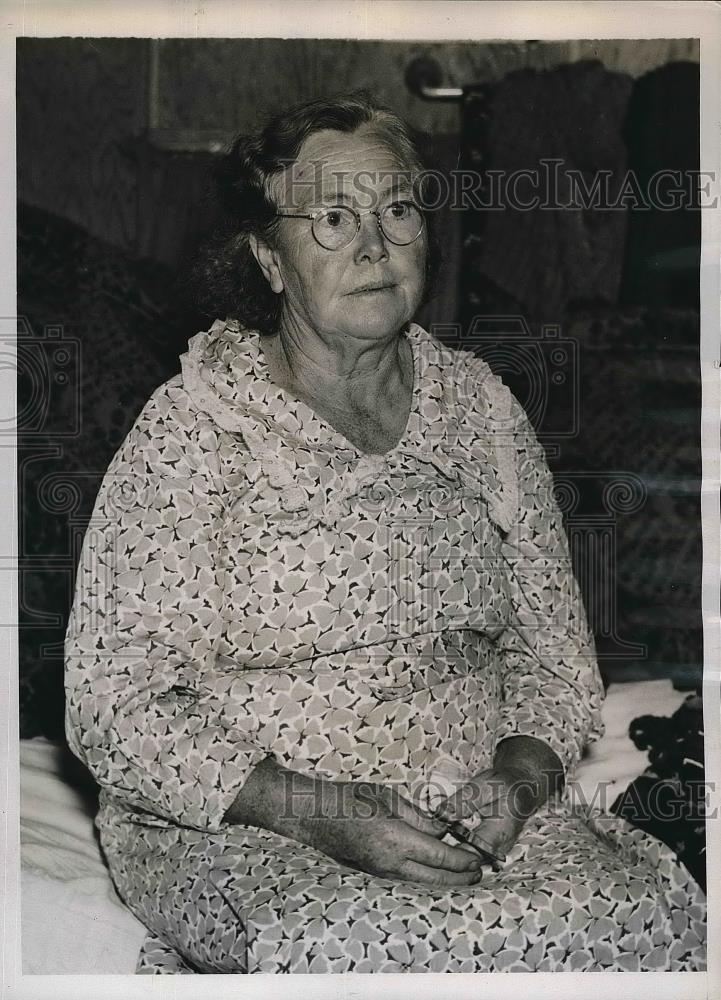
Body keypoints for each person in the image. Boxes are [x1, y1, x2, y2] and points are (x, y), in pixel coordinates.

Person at [64, 93, 706, 974]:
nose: (374, 245)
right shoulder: (196, 428)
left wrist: (515, 783)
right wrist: (317, 810)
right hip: (254, 821)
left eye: (396, 210)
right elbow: (112, 702)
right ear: (269, 258)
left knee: (647, 925)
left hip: (463, 811)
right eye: (331, 218)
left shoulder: (479, 410)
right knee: (355, 951)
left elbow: (555, 659)